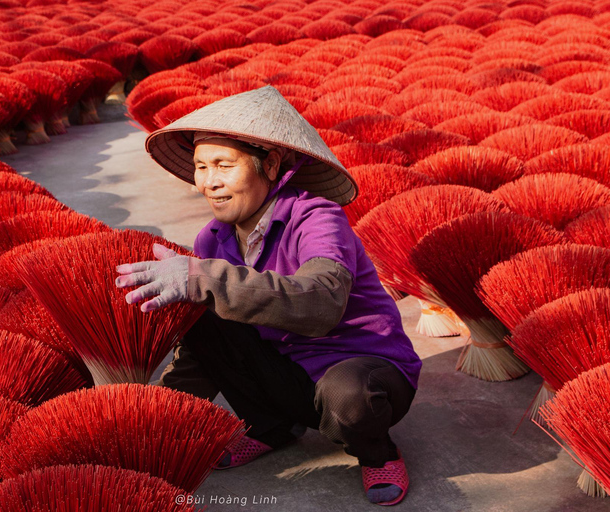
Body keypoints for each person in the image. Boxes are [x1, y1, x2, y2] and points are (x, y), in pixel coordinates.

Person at [115, 86, 421, 506]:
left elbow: (322, 303)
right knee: (203, 316)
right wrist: (155, 418)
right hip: (288, 372)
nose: (209, 182)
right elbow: (206, 350)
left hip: (359, 371)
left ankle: (377, 451)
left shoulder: (317, 219)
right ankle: (271, 426)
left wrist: (203, 276)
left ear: (271, 164)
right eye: (201, 167)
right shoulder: (213, 238)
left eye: (224, 165)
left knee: (350, 398)